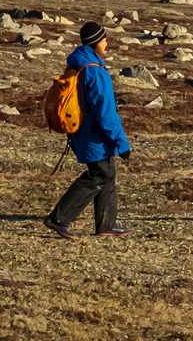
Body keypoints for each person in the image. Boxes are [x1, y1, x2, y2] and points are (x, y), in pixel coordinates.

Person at [43, 19, 131, 237]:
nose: (107, 43)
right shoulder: (95, 71)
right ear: (95, 43)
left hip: (83, 130)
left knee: (106, 174)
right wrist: (121, 142)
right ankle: (59, 218)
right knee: (98, 176)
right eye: (104, 39)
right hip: (94, 134)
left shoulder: (78, 64)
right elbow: (105, 112)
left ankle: (106, 225)